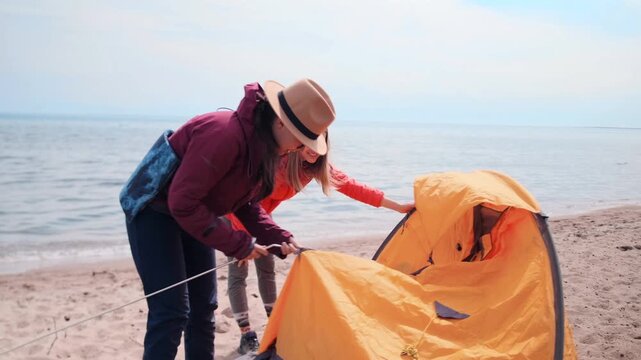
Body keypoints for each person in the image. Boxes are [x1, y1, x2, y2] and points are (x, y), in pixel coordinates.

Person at [119, 78, 336, 360]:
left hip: (198, 212)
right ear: (281, 123)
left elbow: (245, 203)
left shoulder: (266, 148)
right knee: (171, 311)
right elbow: (181, 202)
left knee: (204, 308)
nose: (298, 148)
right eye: (300, 139)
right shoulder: (223, 133)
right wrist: (239, 244)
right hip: (154, 210)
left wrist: (277, 235)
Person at [226, 132, 414, 354]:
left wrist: (398, 206)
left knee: (267, 270)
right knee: (238, 272)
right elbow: (242, 199)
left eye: (321, 142)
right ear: (298, 141)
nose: (314, 148)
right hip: (234, 215)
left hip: (264, 219)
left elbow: (355, 188)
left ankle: (273, 324)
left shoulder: (315, 168)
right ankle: (246, 334)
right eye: (309, 142)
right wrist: (242, 240)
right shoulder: (277, 162)